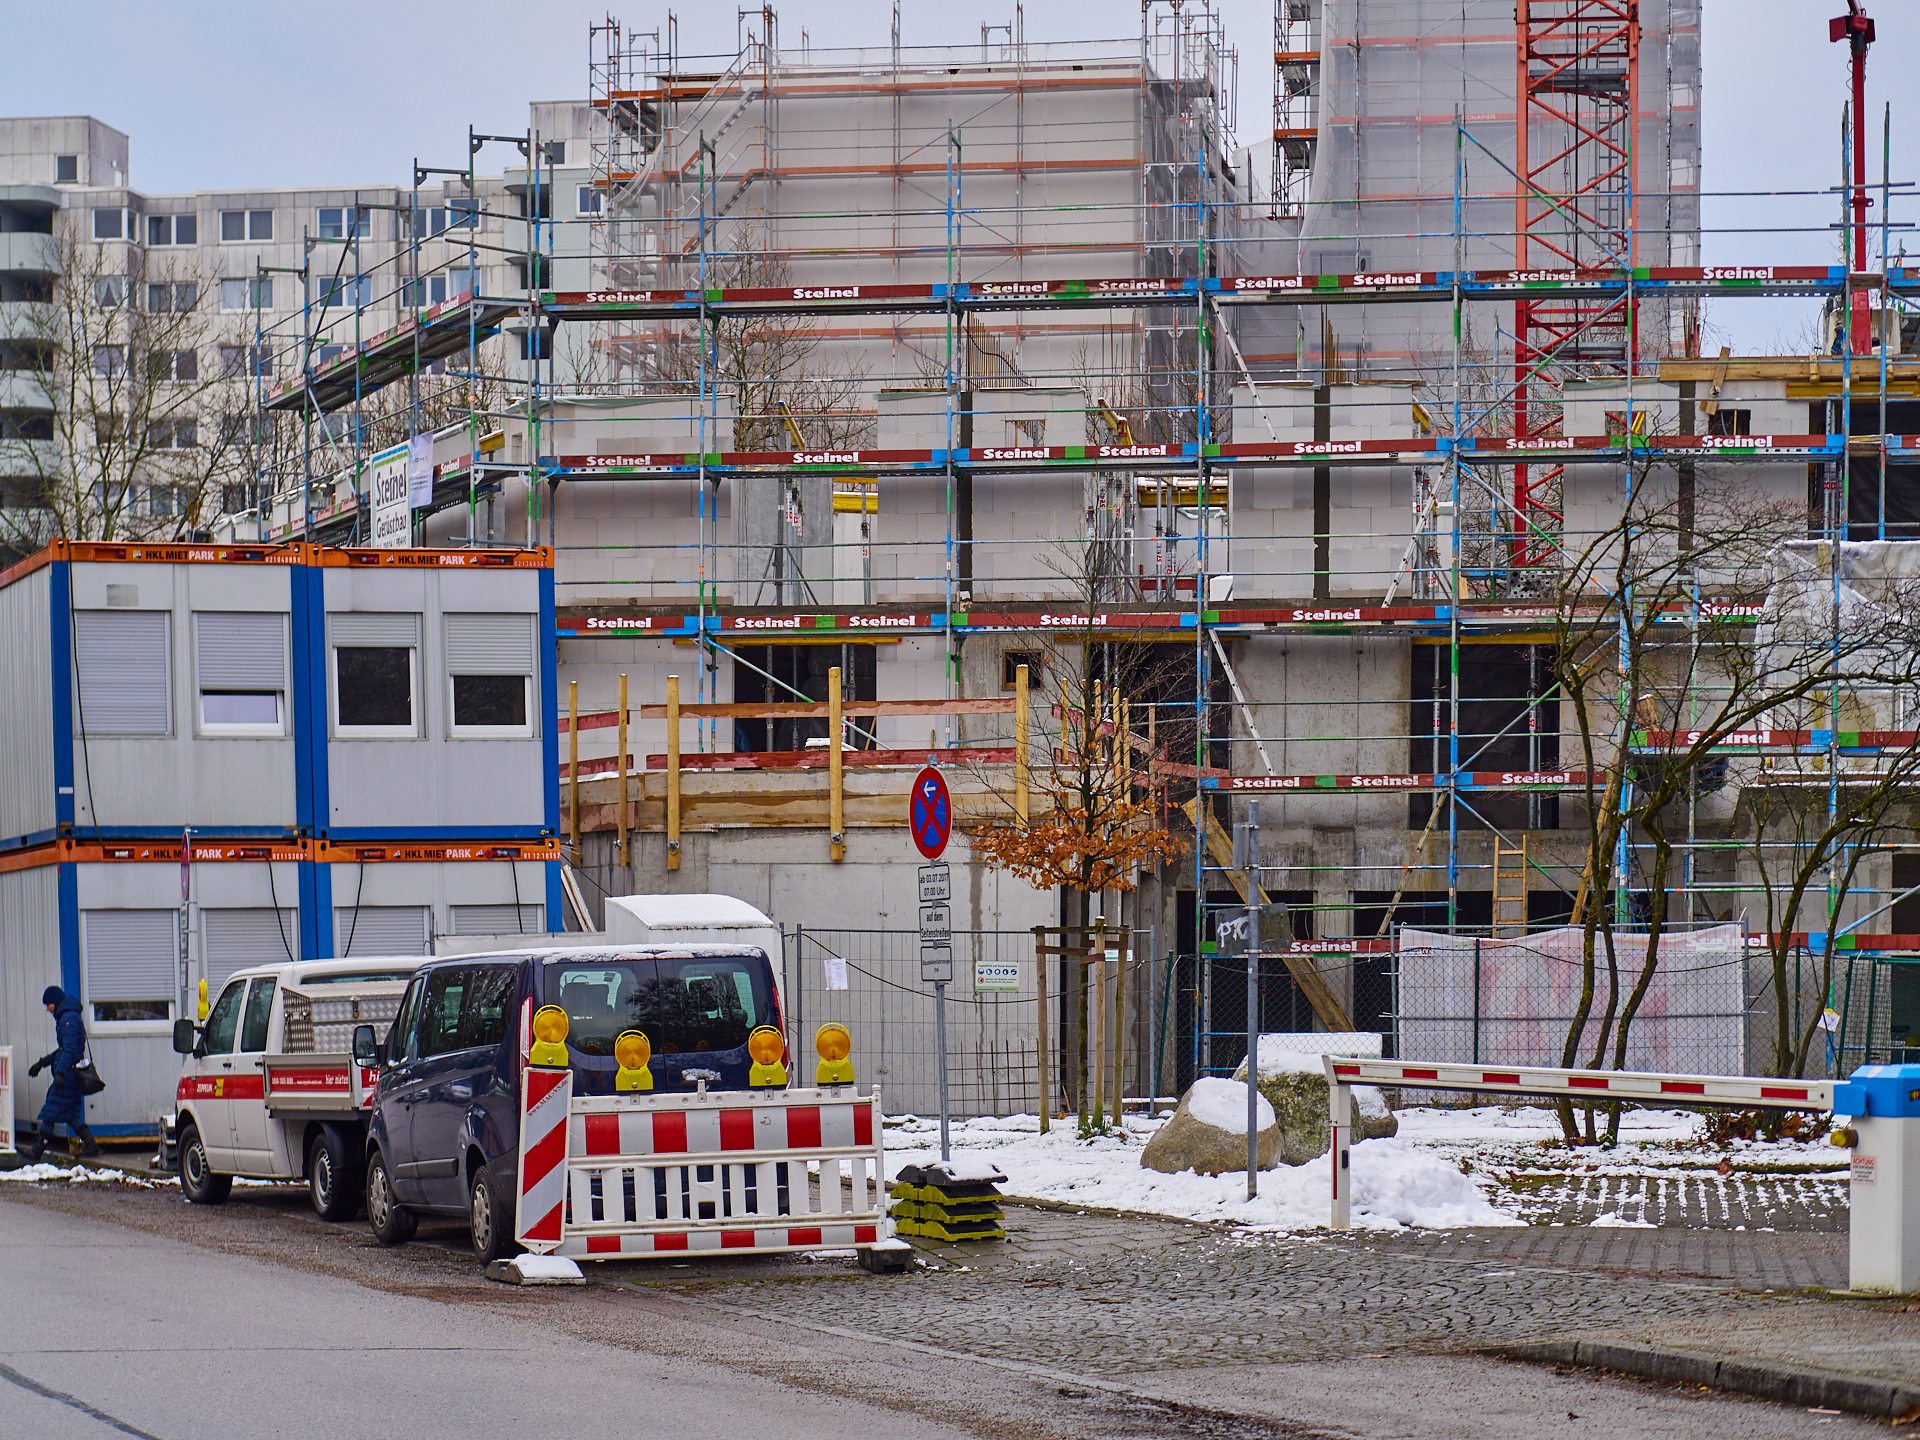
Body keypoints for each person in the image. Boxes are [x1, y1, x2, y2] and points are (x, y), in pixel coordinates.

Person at [23, 986, 100, 1161]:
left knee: (50, 1111)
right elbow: (63, 1049)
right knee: (71, 1113)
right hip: (70, 1073)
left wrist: (61, 1074)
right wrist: (42, 1063)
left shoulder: (68, 1019)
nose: (47, 1009)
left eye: (48, 1004)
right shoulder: (66, 1016)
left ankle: (36, 1152)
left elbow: (70, 1050)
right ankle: (92, 1146)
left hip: (69, 1075)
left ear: (55, 1002)